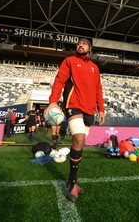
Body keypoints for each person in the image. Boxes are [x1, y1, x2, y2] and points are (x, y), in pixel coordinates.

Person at [44, 38, 105, 202]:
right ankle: (72, 183)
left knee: (81, 142)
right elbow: (59, 81)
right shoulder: (69, 61)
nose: (80, 45)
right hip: (74, 104)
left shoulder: (95, 68)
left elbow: (98, 89)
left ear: (89, 48)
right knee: (78, 137)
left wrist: (101, 109)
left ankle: (73, 180)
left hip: (90, 109)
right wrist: (53, 101)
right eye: (78, 43)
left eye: (84, 44)